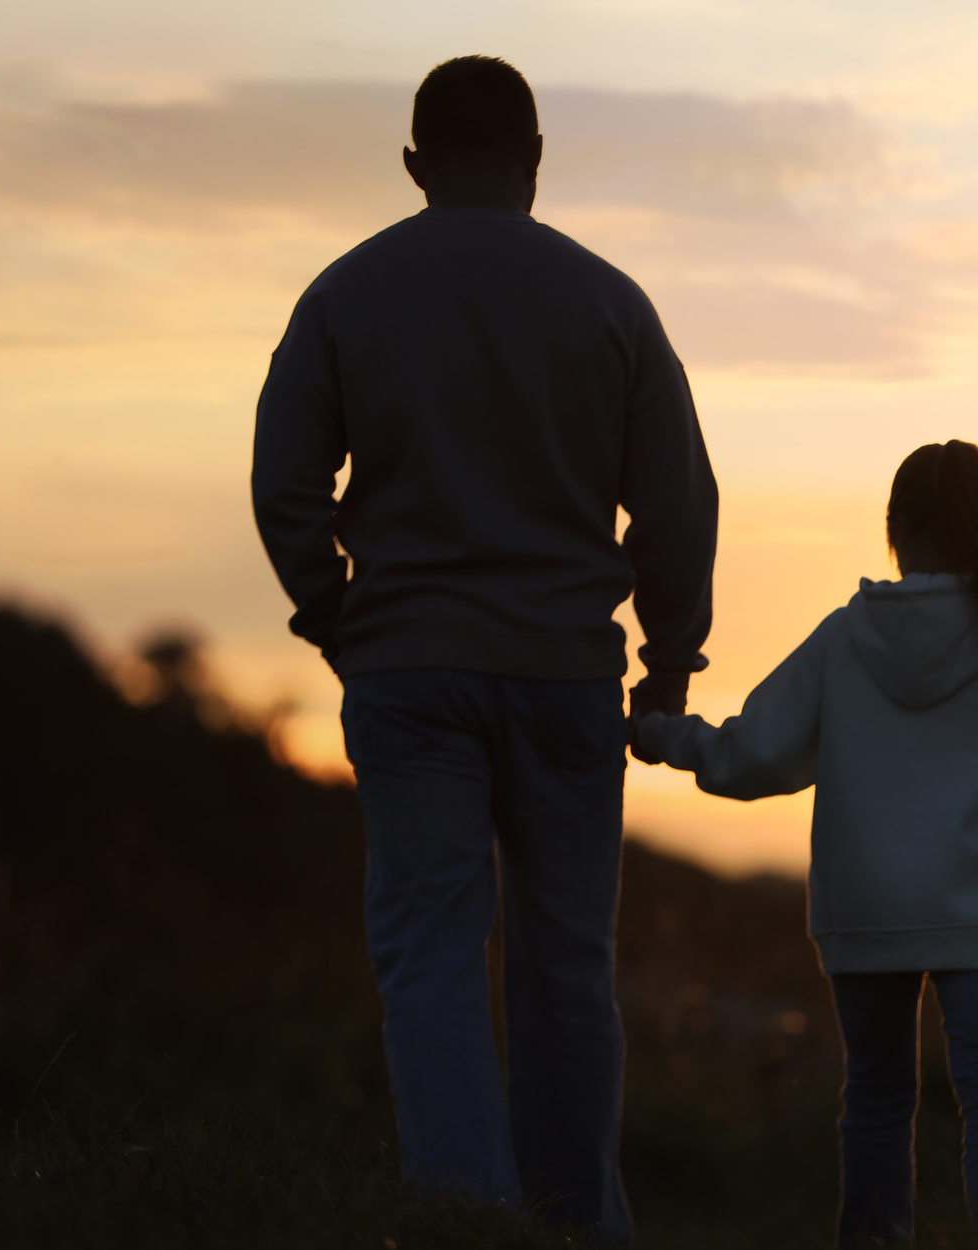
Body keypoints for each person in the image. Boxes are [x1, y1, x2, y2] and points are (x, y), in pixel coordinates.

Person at [251, 55, 716, 1241]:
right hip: (566, 673)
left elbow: (284, 476)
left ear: (412, 163)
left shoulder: (346, 294)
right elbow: (675, 499)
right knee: (567, 966)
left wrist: (331, 610)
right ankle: (574, 1226)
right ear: (537, 159)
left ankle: (465, 1221)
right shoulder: (609, 302)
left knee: (432, 958)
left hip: (407, 671)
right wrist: (668, 655)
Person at [638, 440, 978, 1247]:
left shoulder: (843, 639)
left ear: (894, 528)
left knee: (876, 1094)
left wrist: (663, 735)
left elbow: (752, 755)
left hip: (865, 904)